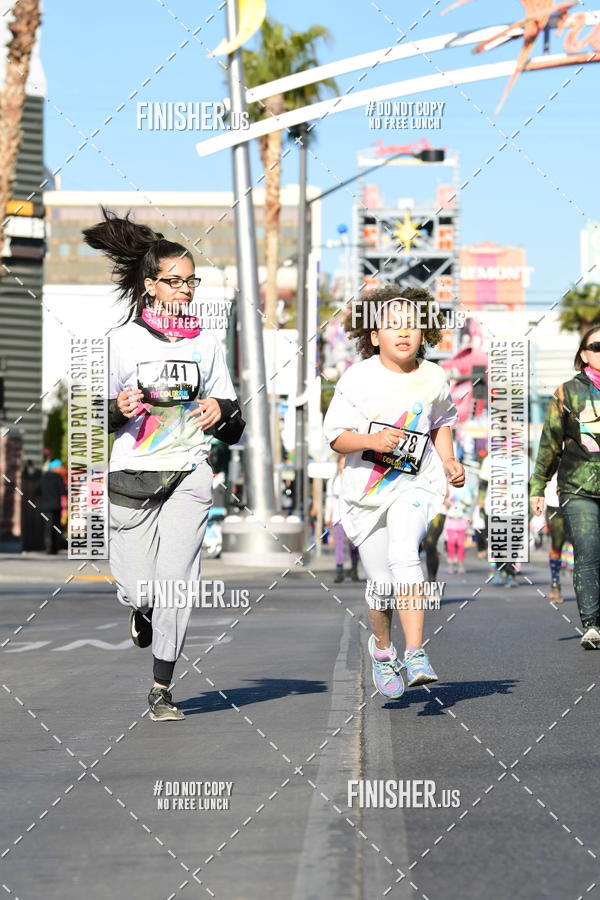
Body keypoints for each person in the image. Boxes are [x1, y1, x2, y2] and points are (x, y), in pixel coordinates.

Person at [83, 208, 245, 721]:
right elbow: (87, 420)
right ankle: (140, 607)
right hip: (132, 473)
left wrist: (222, 413)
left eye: (190, 282)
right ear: (150, 285)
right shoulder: (121, 341)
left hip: (189, 471)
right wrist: (118, 408)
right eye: (173, 283)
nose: (184, 292)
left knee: (179, 581)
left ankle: (161, 687)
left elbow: (234, 421)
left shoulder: (208, 343)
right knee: (139, 585)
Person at [323, 286, 463, 699]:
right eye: (392, 326)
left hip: (415, 484)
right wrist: (372, 441)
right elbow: (335, 438)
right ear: (374, 336)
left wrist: (450, 461)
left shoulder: (434, 376)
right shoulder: (359, 377)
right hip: (364, 494)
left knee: (405, 552)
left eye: (412, 326)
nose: (403, 333)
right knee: (381, 584)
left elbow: (442, 421)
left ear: (426, 334)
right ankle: (383, 651)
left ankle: (417, 653)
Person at [530, 325, 600, 647]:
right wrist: (537, 486)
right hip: (578, 487)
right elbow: (550, 444)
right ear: (584, 354)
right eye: (597, 346)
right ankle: (592, 625)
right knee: (587, 550)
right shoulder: (567, 393)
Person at [325, 455, 360, 583]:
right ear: (338, 465)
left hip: (352, 517)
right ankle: (339, 571)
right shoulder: (333, 481)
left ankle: (354, 569)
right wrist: (327, 516)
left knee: (354, 545)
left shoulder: (354, 480)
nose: (343, 466)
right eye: (341, 463)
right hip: (337, 518)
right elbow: (329, 499)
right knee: (339, 544)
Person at [443, 482, 474, 574]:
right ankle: (451, 565)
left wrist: (462, 501)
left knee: (460, 544)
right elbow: (443, 501)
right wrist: (448, 502)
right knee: (450, 543)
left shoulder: (466, 487)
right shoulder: (447, 486)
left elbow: (469, 503)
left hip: (461, 520)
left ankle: (461, 565)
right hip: (450, 519)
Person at [39, 460, 67, 554]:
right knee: (56, 527)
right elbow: (63, 491)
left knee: (47, 527)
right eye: (59, 467)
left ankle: (48, 548)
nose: (60, 469)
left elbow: (37, 490)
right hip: (56, 507)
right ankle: (54, 548)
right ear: (55, 468)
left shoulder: (43, 477)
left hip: (45, 507)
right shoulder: (58, 477)